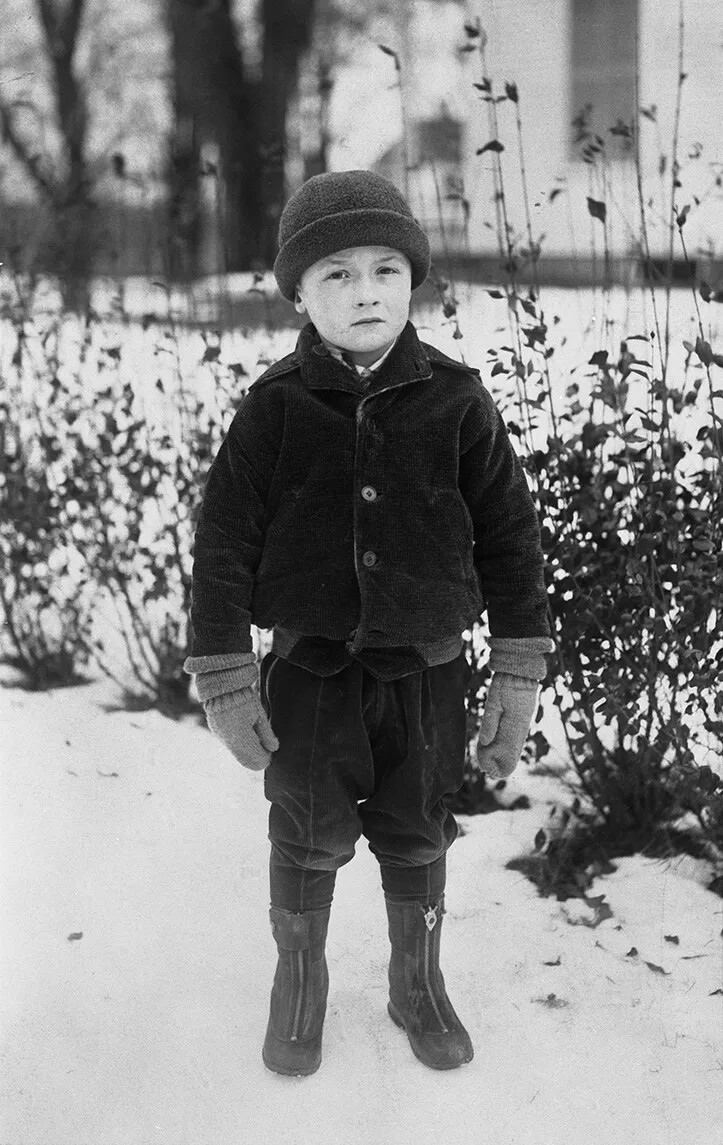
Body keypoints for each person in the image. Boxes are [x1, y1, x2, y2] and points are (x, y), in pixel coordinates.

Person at [184, 170, 553, 1077]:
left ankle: (416, 982)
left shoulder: (457, 400)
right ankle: (299, 979)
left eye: (386, 269)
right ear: (299, 294)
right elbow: (223, 540)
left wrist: (516, 671)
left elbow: (510, 536)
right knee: (304, 826)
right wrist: (225, 675)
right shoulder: (274, 406)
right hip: (308, 674)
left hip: (424, 674)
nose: (365, 293)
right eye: (337, 274)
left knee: (417, 827)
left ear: (412, 280)